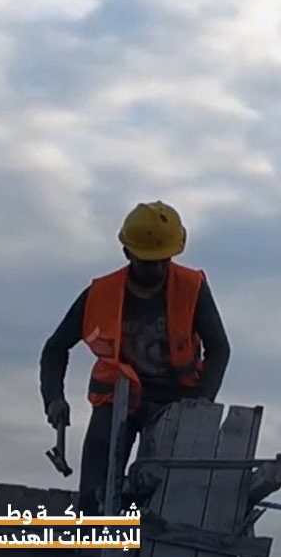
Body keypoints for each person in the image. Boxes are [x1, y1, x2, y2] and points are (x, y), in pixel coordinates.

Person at [40, 201, 231, 513]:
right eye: (148, 261)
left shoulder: (191, 288)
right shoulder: (100, 294)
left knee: (167, 494)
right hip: (117, 399)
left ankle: (150, 553)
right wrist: (53, 399)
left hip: (176, 399)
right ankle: (91, 550)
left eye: (163, 260)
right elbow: (55, 348)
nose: (157, 269)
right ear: (128, 254)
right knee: (96, 488)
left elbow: (219, 348)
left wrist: (201, 403)